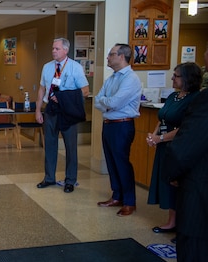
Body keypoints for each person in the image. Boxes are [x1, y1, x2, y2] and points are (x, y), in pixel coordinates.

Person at [162, 47, 208, 262]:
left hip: (199, 189)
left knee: (195, 255)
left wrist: (173, 172)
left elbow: (186, 146)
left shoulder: (203, 100)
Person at [147, 63, 202, 235]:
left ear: (187, 78)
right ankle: (172, 221)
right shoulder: (173, 96)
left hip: (179, 147)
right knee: (168, 184)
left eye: (176, 75)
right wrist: (154, 136)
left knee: (180, 185)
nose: (172, 78)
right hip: (165, 147)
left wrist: (161, 138)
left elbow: (185, 127)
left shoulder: (195, 99)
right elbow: (163, 117)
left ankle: (184, 224)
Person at [35, 37, 89, 193]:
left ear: (66, 50)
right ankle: (49, 177)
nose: (53, 51)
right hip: (51, 110)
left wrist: (64, 97)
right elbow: (41, 90)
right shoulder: (47, 67)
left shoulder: (75, 67)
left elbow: (85, 91)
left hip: (68, 111)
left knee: (70, 147)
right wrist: (38, 110)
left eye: (57, 49)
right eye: (53, 48)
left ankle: (70, 180)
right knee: (50, 145)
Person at [94, 43, 141, 216]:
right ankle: (117, 196)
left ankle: (129, 201)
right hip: (109, 125)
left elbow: (115, 102)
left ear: (121, 57)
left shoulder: (131, 79)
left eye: (111, 54)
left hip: (122, 125)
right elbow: (98, 100)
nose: (108, 57)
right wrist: (108, 104)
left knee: (122, 163)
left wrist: (108, 103)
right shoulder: (112, 78)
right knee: (111, 163)